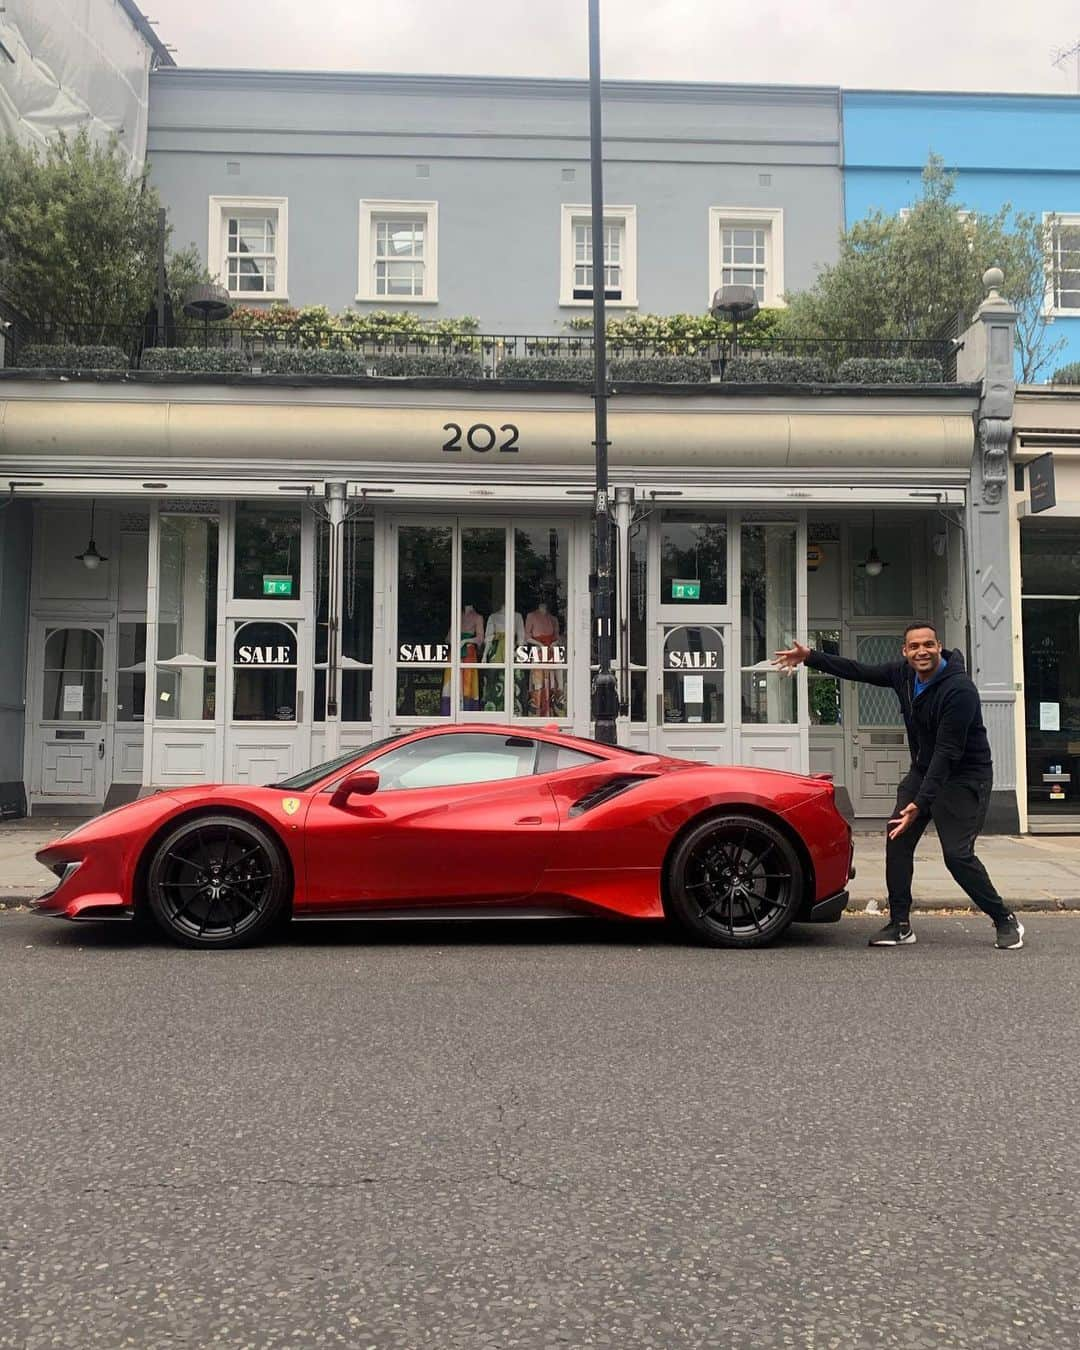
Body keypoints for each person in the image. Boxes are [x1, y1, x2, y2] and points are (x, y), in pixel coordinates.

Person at [773, 623, 1025, 950]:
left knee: (957, 856)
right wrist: (810, 657)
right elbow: (857, 670)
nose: (922, 651)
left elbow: (948, 753)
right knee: (897, 839)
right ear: (905, 652)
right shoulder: (903, 675)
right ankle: (900, 924)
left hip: (964, 777)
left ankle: (1004, 919)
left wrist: (919, 803)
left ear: (939, 647)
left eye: (928, 645)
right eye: (915, 646)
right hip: (924, 770)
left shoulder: (959, 690)